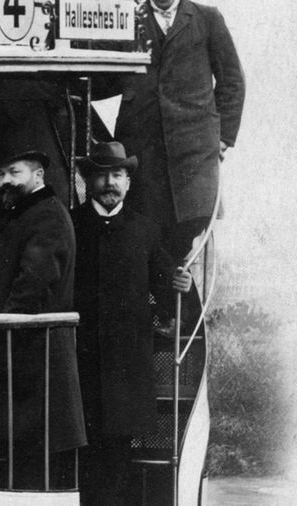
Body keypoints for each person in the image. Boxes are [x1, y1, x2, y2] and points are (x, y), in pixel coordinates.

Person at [70, 142, 192, 506]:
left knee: (120, 453)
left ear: (128, 182)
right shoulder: (70, 224)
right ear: (88, 181)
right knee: (82, 449)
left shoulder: (145, 230)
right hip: (79, 359)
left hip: (126, 363)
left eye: (118, 175)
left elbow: (168, 285)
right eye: (102, 175)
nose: (110, 183)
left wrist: (179, 285)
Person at [113, 0, 245, 260]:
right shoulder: (125, 20)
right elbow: (107, 80)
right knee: (144, 242)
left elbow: (231, 81)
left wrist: (223, 138)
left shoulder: (206, 19)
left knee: (183, 245)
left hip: (193, 159)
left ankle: (179, 311)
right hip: (142, 155)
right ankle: (161, 311)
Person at [0, 145, 84, 488]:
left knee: (37, 467)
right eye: (1, 173)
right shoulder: (27, 213)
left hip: (34, 357)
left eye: (15, 172)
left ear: (39, 175)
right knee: (28, 462)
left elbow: (32, 288)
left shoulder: (46, 216)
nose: (6, 180)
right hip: (26, 358)